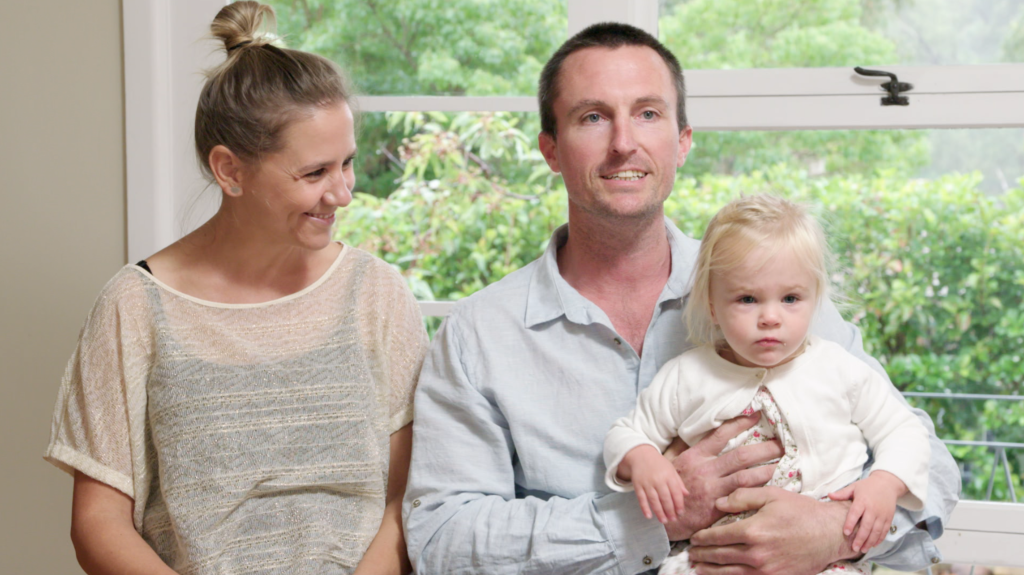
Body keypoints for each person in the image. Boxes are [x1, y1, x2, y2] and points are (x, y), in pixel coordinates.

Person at [402, 22, 959, 575]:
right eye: (593, 117)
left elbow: (932, 468)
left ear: (683, 140)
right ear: (550, 148)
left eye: (648, 113)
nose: (624, 143)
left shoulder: (771, 291)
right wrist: (652, 521)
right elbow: (443, 539)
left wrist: (834, 533)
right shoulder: (478, 336)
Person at [43, 3, 428, 573]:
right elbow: (98, 525)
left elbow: (407, 499)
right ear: (230, 171)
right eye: (314, 173)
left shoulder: (375, 294)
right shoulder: (135, 307)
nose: (343, 193)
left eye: (346, 164)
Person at [603, 195, 931, 575]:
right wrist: (642, 459)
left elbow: (903, 429)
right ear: (712, 304)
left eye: (791, 298)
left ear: (815, 299)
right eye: (747, 299)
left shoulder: (840, 368)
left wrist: (886, 483)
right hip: (712, 556)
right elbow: (625, 432)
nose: (770, 317)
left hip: (821, 559)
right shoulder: (685, 375)